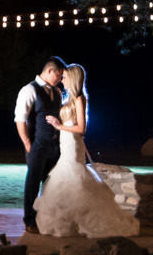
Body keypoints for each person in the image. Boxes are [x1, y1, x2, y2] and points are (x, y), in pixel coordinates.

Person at [33, 62, 140, 237]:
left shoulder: (79, 99)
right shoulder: (69, 98)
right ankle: (70, 220)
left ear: (73, 79)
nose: (62, 81)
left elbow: (81, 128)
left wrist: (60, 126)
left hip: (73, 145)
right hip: (66, 143)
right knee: (63, 178)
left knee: (73, 175)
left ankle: (82, 220)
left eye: (65, 78)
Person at [14, 57, 67, 234]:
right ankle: (29, 220)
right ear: (49, 71)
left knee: (51, 184)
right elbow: (20, 119)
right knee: (33, 184)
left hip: (55, 146)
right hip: (37, 144)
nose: (60, 80)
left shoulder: (57, 92)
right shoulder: (29, 90)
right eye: (58, 76)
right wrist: (28, 143)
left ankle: (47, 218)